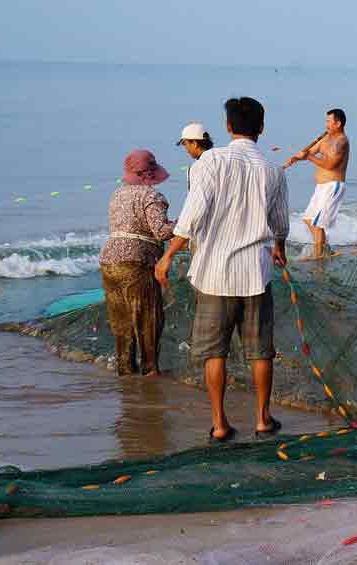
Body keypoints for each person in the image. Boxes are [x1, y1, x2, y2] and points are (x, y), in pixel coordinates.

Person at [155, 97, 290, 442]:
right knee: (261, 350)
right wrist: (279, 249)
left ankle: (219, 423)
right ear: (261, 128)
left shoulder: (210, 161)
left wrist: (168, 255)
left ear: (228, 127)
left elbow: (193, 211)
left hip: (214, 273)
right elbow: (280, 224)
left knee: (214, 351)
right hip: (255, 274)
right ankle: (262, 419)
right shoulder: (273, 170)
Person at [98, 150, 175, 378]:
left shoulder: (116, 195)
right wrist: (185, 224)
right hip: (136, 261)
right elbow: (160, 232)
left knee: (122, 324)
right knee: (148, 321)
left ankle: (125, 373)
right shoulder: (152, 197)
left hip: (110, 260)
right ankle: (150, 372)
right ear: (150, 175)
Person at [284, 109, 350, 260]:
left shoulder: (341, 142)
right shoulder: (325, 138)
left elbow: (330, 164)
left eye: (329, 121)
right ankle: (325, 251)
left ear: (338, 123)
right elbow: (311, 151)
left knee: (318, 224)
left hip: (333, 186)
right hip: (321, 187)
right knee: (308, 219)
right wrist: (296, 158)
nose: (326, 124)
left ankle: (318, 258)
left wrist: (308, 157)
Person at [176, 122, 214, 191]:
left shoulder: (196, 167)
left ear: (194, 143)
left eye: (185, 144)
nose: (185, 148)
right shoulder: (222, 160)